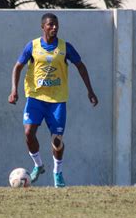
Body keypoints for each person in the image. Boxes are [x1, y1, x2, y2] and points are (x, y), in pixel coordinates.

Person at [8, 13, 98, 188]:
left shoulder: (65, 47)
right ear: (43, 27)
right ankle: (38, 165)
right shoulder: (32, 46)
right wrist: (14, 90)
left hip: (57, 100)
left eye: (56, 25)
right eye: (50, 25)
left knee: (57, 140)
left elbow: (80, 66)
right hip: (35, 97)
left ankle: (57, 173)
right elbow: (17, 67)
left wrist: (90, 91)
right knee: (28, 133)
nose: (54, 28)